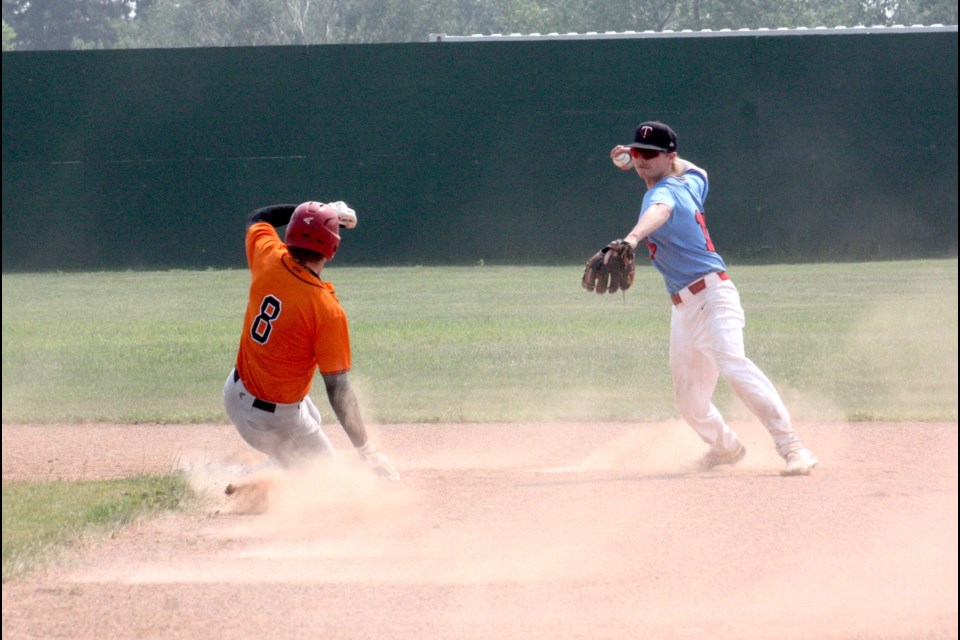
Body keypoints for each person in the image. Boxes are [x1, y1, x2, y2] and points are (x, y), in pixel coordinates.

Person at [609, 121, 818, 476]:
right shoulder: (691, 182)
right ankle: (725, 448)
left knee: (734, 366)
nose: (641, 160)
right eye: (637, 152)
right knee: (688, 402)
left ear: (668, 157)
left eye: (649, 154)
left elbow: (659, 212)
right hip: (684, 308)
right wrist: (633, 156)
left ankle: (793, 448)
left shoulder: (662, 192)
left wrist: (631, 239)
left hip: (713, 296)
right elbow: (697, 168)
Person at [222, 201, 399, 481]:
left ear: (290, 233)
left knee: (309, 422)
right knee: (323, 477)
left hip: (236, 391)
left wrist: (319, 211)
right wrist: (366, 450)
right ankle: (228, 479)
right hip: (270, 420)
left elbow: (258, 216)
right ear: (333, 248)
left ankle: (263, 469)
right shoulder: (325, 309)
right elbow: (338, 388)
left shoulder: (268, 256)